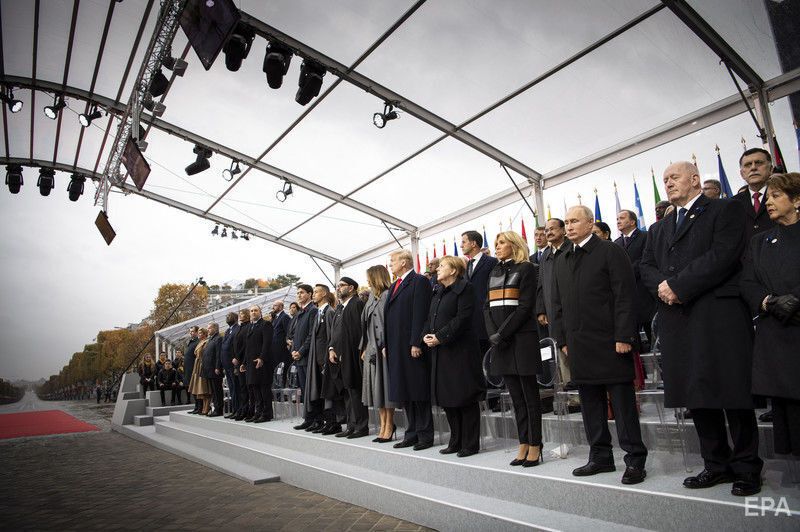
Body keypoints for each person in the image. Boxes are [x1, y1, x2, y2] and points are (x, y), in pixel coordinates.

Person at [641, 161, 762, 497]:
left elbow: (724, 255)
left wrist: (678, 285)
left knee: (733, 390)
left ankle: (747, 467)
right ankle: (715, 464)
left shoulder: (725, 210)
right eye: (665, 179)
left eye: (674, 177)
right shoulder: (660, 227)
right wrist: (664, 288)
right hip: (677, 317)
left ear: (695, 179)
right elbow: (646, 266)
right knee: (696, 392)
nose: (668, 183)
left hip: (718, 314)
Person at [551, 206, 647, 484]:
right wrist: (563, 340)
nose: (569, 226)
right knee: (590, 405)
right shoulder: (562, 258)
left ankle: (635, 460)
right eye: (566, 221)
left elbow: (625, 295)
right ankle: (601, 457)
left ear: (590, 222)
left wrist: (624, 336)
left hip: (611, 342)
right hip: (578, 345)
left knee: (623, 406)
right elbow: (557, 304)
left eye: (574, 221)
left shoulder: (610, 251)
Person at [741, 172, 800, 457]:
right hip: (776, 334)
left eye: (776, 196)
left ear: (797, 200)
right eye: (767, 198)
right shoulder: (760, 241)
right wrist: (768, 302)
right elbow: (747, 282)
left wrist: (796, 300)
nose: (768, 202)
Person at [485, 231, 544, 467]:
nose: (497, 247)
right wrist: (493, 334)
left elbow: (525, 307)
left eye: (502, 243)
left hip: (521, 340)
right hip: (500, 343)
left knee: (530, 398)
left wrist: (502, 333)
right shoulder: (494, 271)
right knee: (516, 399)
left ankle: (535, 444)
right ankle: (523, 442)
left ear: (514, 245)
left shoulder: (527, 268)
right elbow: (486, 307)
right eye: (496, 244)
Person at [423, 256, 485, 457]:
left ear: (453, 270)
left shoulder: (466, 288)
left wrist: (440, 337)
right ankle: (455, 441)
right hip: (442, 351)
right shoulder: (438, 291)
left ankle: (470, 443)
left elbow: (463, 318)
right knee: (448, 397)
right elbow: (430, 318)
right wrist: (426, 335)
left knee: (464, 396)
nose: (437, 269)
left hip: (461, 351)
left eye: (442, 266)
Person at [385, 249, 434, 451]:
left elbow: (421, 314)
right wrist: (386, 344)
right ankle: (411, 433)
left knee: (418, 389)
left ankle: (424, 435)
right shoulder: (394, 285)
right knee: (405, 390)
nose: (390, 264)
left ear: (404, 262)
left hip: (411, 345)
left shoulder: (419, 281)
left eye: (393, 261)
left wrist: (416, 342)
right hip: (396, 346)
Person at [536, 218, 579, 409]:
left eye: (553, 229)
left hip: (571, 310)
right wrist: (541, 310)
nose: (549, 233)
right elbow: (540, 285)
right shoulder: (546, 254)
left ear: (563, 230)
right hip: (552, 313)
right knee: (559, 355)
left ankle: (579, 397)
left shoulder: (571, 249)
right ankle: (569, 398)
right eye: (546, 230)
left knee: (573, 352)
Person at [360, 265, 397, 442]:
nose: (367, 281)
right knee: (376, 390)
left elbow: (390, 324)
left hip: (383, 348)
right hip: (371, 349)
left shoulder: (388, 295)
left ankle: (389, 425)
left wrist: (385, 344)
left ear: (377, 277)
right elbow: (365, 325)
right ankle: (383, 425)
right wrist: (365, 347)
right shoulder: (370, 298)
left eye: (369, 277)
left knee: (385, 388)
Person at [328, 277, 368, 438]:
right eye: (337, 286)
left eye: (341, 285)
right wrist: (332, 348)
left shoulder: (356, 303)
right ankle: (351, 425)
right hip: (339, 355)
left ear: (351, 288)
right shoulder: (340, 307)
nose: (338, 288)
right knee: (347, 391)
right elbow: (335, 332)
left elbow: (359, 332)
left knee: (355, 389)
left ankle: (361, 426)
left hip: (352, 354)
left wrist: (349, 351)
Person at [614, 210, 655, 350]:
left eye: (622, 218)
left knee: (652, 334)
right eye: (617, 219)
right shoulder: (616, 243)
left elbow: (646, 259)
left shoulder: (646, 236)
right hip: (628, 297)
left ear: (632, 221)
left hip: (645, 294)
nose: (618, 221)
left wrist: (625, 273)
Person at [460, 230, 499, 355]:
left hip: (487, 320)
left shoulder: (491, 262)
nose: (461, 245)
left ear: (473, 244)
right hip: (472, 322)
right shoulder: (467, 266)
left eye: (464, 242)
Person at [305, 285, 336, 433]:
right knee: (319, 392)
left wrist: (326, 359)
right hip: (316, 359)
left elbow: (331, 337)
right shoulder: (319, 312)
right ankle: (324, 422)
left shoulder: (329, 312)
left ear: (324, 294)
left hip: (325, 359)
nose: (313, 294)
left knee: (328, 393)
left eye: (316, 292)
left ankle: (332, 423)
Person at [733, 148, 776, 244]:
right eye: (748, 165)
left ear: (771, 169)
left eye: (759, 163)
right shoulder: (733, 204)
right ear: (742, 174)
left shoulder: (785, 197)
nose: (753, 168)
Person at [290, 285, 318, 430]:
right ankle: (308, 418)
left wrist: (300, 351)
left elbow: (311, 335)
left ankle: (315, 419)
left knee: (310, 390)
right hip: (299, 357)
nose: (299, 295)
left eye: (302, 292)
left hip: (307, 357)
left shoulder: (313, 310)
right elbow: (296, 335)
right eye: (298, 293)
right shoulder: (301, 312)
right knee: (303, 389)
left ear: (310, 294)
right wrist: (293, 350)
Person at [244, 306, 274, 423]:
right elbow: (248, 347)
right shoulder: (250, 326)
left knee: (264, 389)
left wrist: (262, 358)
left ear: (260, 313)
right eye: (251, 311)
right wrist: (244, 363)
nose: (253, 312)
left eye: (255, 310)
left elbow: (267, 343)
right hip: (251, 363)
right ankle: (258, 412)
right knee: (255, 389)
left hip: (262, 363)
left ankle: (266, 414)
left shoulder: (265, 324)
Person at [232, 309, 251, 420]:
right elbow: (235, 344)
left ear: (247, 315)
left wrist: (239, 359)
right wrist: (234, 358)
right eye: (239, 314)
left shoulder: (248, 327)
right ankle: (243, 409)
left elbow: (245, 346)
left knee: (246, 388)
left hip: (244, 361)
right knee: (242, 388)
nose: (240, 316)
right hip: (238, 361)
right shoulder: (240, 327)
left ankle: (247, 410)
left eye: (242, 314)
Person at [221, 312, 240, 418]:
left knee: (236, 388)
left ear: (236, 318)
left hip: (234, 364)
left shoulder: (238, 329)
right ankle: (234, 410)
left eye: (229, 316)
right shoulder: (227, 331)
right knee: (232, 388)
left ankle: (239, 410)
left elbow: (236, 346)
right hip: (227, 364)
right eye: (226, 316)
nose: (227, 317)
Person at [188, 328, 211, 415]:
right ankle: (201, 407)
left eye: (201, 333)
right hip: (197, 366)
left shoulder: (206, 342)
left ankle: (206, 407)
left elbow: (205, 354)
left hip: (202, 365)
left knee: (204, 387)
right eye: (198, 333)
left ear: (205, 334)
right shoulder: (200, 342)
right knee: (198, 387)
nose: (199, 334)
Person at [203, 322, 224, 417]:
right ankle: (215, 408)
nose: (208, 330)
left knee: (217, 390)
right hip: (209, 369)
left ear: (215, 328)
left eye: (209, 328)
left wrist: (217, 367)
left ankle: (219, 409)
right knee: (213, 391)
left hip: (215, 369)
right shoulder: (210, 339)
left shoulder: (218, 338)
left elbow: (218, 354)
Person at [270, 301, 292, 385]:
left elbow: (288, 331)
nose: (273, 307)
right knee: (276, 368)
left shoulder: (285, 317)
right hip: (275, 348)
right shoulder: (276, 317)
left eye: (275, 305)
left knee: (282, 369)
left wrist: (287, 342)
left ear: (281, 307)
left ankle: (282, 385)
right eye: (273, 305)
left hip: (281, 348)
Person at [184, 327, 200, 413]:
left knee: (196, 389)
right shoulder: (190, 342)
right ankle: (196, 407)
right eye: (190, 332)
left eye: (193, 331)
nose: (191, 333)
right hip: (188, 370)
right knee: (192, 389)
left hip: (194, 370)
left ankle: (199, 407)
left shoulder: (198, 342)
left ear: (197, 332)